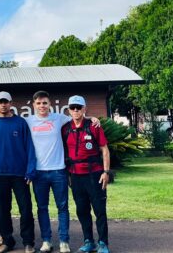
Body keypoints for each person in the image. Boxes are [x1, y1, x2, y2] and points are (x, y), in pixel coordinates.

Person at [0, 92, 37, 253]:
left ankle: (28, 242)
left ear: (11, 103)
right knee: (1, 209)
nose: (3, 104)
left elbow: (29, 148)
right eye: (0, 102)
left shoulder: (21, 123)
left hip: (20, 174)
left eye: (6, 102)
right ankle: (7, 240)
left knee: (25, 208)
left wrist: (30, 171)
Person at [62, 96, 111, 253]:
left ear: (84, 109)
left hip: (94, 174)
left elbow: (104, 149)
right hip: (75, 176)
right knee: (82, 210)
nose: (76, 110)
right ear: (68, 109)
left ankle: (103, 243)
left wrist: (106, 172)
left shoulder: (94, 126)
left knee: (99, 210)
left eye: (79, 107)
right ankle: (88, 241)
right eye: (73, 107)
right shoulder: (65, 128)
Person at [25, 90, 72, 253]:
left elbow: (78, 118)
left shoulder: (59, 118)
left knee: (63, 207)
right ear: (33, 105)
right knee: (42, 208)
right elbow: (11, 120)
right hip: (38, 173)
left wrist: (92, 118)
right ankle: (46, 240)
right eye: (38, 103)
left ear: (49, 104)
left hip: (58, 171)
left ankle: (64, 241)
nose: (42, 106)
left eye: (44, 102)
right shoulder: (28, 121)